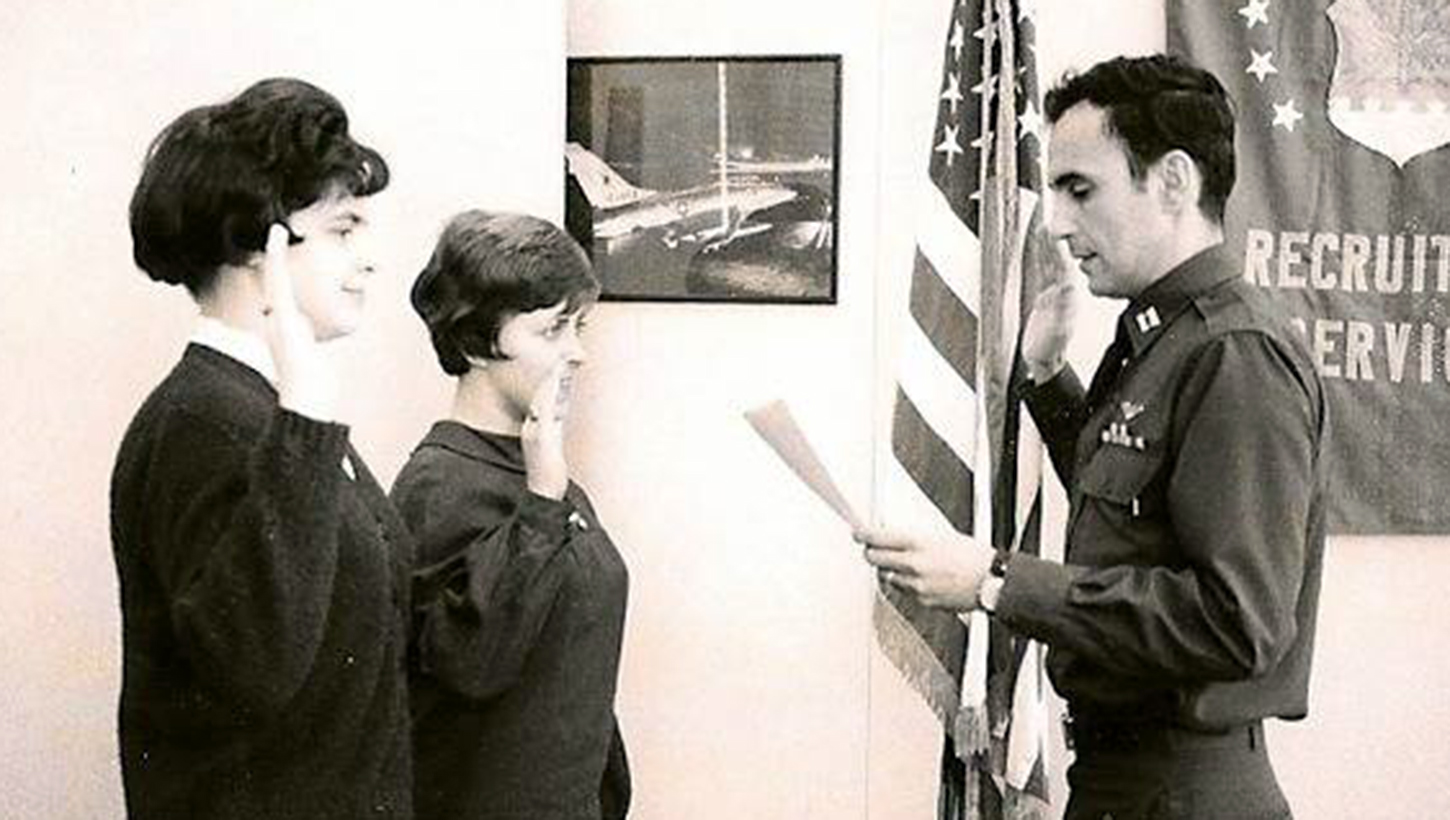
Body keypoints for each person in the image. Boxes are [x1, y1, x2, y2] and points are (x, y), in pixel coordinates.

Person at [860, 54, 1326, 819]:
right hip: (1129, 784)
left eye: (1081, 189)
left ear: (1174, 181)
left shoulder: (1232, 353)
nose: (1056, 221)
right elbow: (1139, 517)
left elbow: (1237, 621)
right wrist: (1047, 379)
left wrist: (996, 580)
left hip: (1181, 791)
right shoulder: (1166, 337)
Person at [111, 78, 413, 818]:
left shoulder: (258, 413)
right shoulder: (202, 423)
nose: (370, 259)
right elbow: (256, 667)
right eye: (344, 230)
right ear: (260, 243)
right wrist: (307, 415)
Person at [392, 210, 631, 820]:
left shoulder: (542, 472)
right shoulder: (437, 485)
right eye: (553, 330)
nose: (577, 353)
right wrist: (543, 500)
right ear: (476, 342)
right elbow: (477, 663)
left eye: (579, 327)